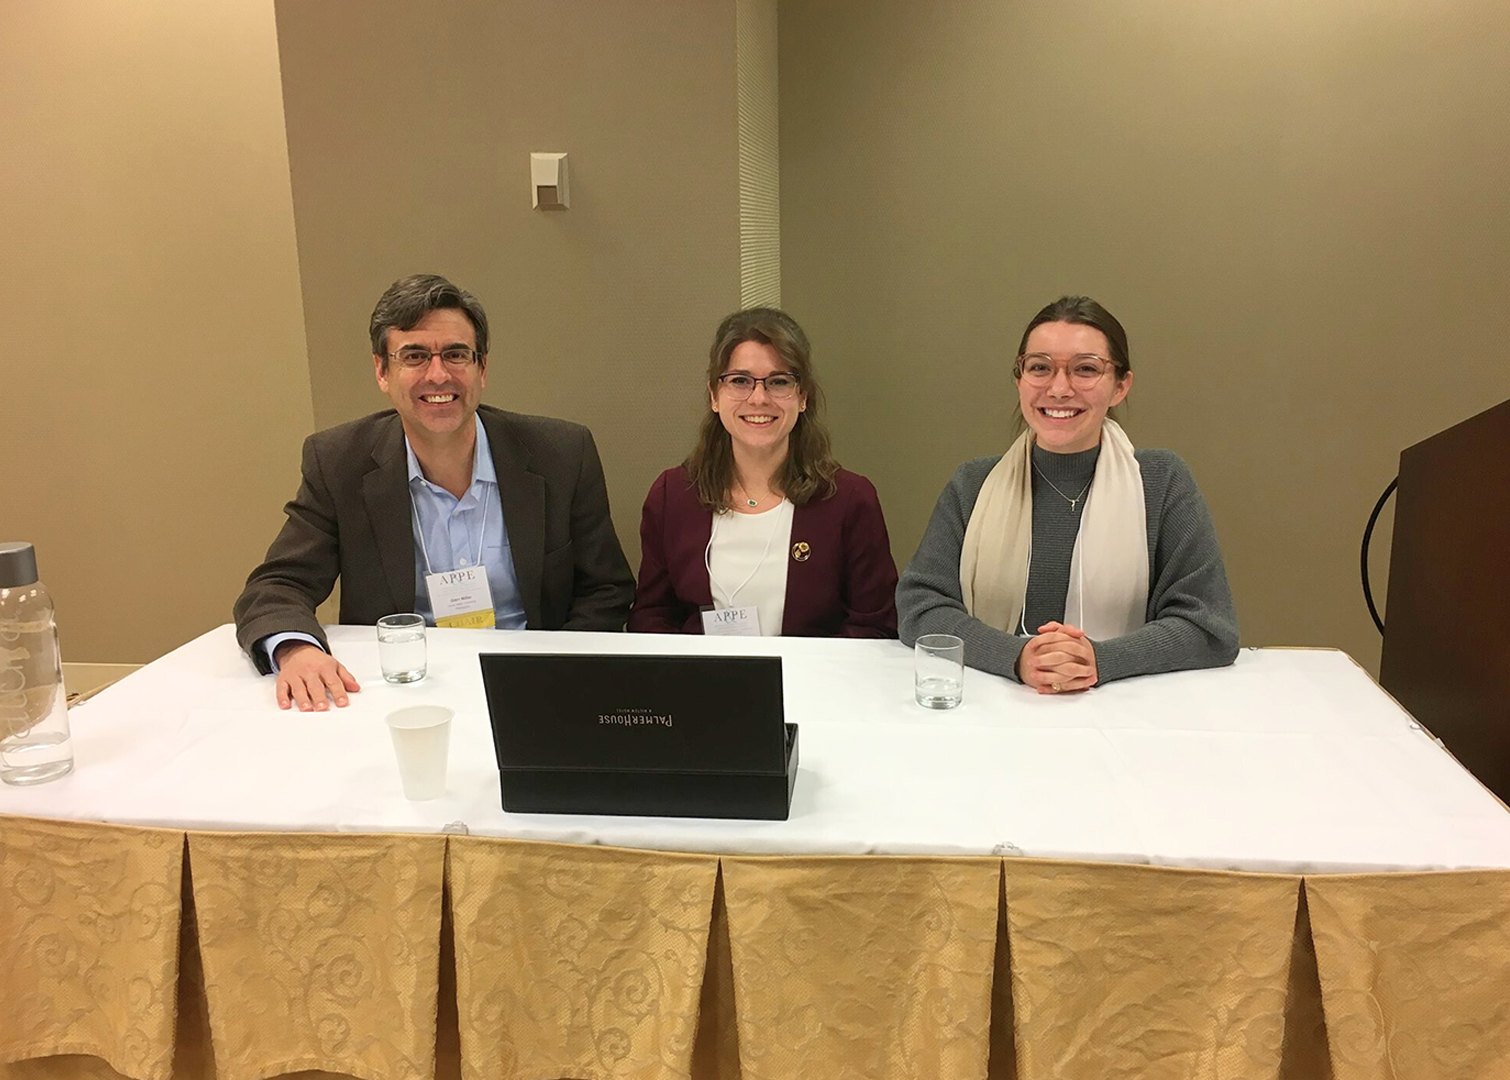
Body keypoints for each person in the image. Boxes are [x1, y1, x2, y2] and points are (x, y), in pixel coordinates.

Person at [235, 274, 634, 710]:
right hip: (398, 691)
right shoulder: (339, 462)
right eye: (415, 356)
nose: (438, 374)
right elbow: (276, 585)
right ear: (382, 372)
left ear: (483, 368)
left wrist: (553, 674)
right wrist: (298, 650)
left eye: (456, 354)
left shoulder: (560, 454)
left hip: (536, 687)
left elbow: (606, 590)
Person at [897, 296, 1238, 692]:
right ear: (1020, 380)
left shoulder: (1162, 482)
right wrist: (1016, 657)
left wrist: (1099, 660)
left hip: (1123, 713)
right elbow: (920, 606)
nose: (1059, 389)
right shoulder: (972, 484)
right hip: (991, 704)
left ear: (1120, 386)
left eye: (1086, 370)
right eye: (1040, 368)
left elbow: (1209, 626)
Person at [629, 308, 898, 637]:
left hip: (815, 686)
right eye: (740, 381)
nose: (759, 398)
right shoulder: (673, 495)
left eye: (778, 382)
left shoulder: (850, 500)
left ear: (802, 397)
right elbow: (652, 615)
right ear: (714, 395)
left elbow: (875, 626)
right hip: (700, 685)